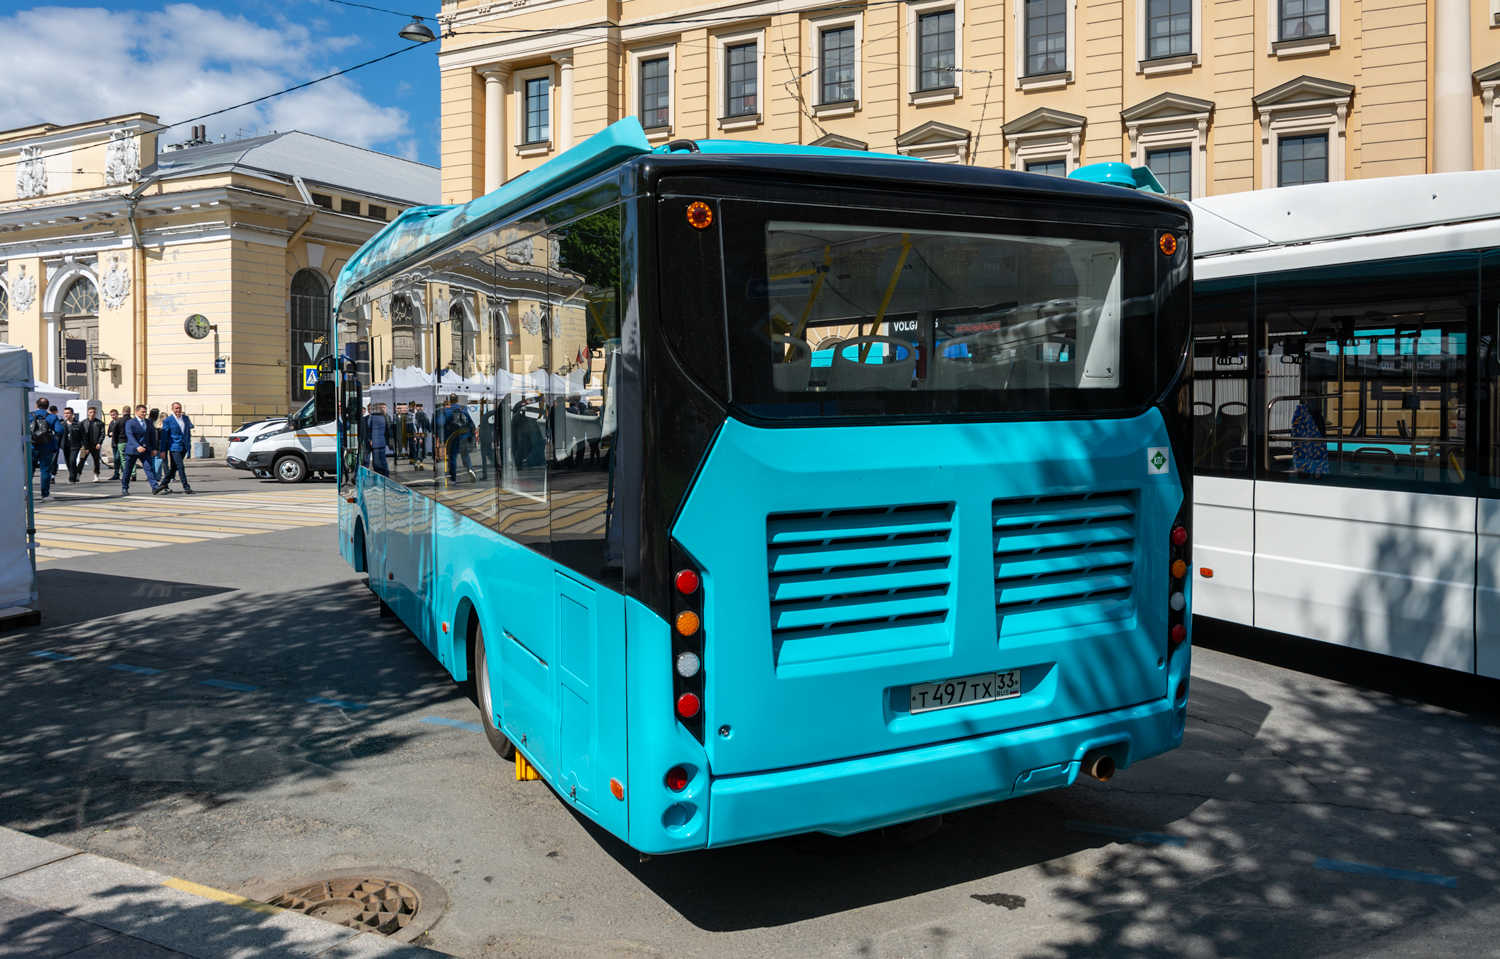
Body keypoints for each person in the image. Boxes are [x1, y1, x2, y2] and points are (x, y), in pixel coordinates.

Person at [28, 397, 62, 500]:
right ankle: (45, 494)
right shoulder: (52, 417)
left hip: (31, 446)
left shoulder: (29, 415)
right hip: (47, 446)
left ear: (36, 406)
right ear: (47, 407)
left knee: (29, 470)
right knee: (45, 470)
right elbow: (59, 430)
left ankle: (26, 493)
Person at [158, 402, 195, 494]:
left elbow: (187, 433)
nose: (178, 410)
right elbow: (164, 437)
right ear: (172, 409)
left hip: (184, 446)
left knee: (174, 467)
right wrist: (162, 450)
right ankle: (186, 487)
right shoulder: (168, 420)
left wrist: (189, 448)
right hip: (174, 446)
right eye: (176, 409)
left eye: (179, 408)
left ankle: (164, 483)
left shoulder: (186, 419)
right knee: (180, 466)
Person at [121, 404, 160, 495]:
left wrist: (154, 448)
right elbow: (130, 436)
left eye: (145, 412)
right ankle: (125, 487)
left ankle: (155, 486)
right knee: (128, 470)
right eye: (142, 412)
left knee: (149, 468)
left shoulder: (148, 422)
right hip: (133, 450)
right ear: (136, 411)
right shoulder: (130, 422)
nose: (144, 413)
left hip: (145, 450)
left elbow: (152, 437)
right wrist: (137, 446)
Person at [439, 394, 476, 483]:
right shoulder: (464, 409)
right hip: (464, 436)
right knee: (465, 455)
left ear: (450, 401)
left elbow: (443, 425)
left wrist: (442, 440)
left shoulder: (446, 411)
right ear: (458, 400)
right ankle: (470, 469)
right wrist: (472, 436)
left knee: (452, 457)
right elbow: (471, 424)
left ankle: (453, 477)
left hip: (452, 438)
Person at [78, 406, 106, 482]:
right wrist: (82, 444)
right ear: (88, 413)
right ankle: (78, 474)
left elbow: (102, 434)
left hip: (95, 444)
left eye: (94, 412)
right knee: (82, 459)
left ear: (96, 413)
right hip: (85, 445)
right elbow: (80, 434)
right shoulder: (83, 423)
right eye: (90, 412)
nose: (92, 414)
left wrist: (99, 443)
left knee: (96, 460)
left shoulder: (99, 423)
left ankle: (96, 475)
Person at [59, 407, 87, 483]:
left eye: (68, 413)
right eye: (65, 413)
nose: (66, 415)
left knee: (72, 460)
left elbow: (83, 436)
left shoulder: (78, 424)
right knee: (67, 461)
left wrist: (86, 447)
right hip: (65, 445)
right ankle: (74, 474)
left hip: (75, 445)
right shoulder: (62, 424)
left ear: (72, 414)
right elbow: (59, 436)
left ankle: (72, 477)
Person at [363, 402, 390, 476]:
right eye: (368, 409)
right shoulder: (373, 417)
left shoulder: (378, 417)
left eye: (371, 409)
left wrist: (372, 439)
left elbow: (375, 430)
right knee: (377, 462)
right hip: (374, 442)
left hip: (377, 442)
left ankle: (383, 476)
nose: (370, 410)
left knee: (379, 462)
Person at [106, 408, 125, 480]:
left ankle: (123, 473)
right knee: (115, 459)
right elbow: (108, 433)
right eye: (111, 415)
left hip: (120, 442)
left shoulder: (120, 422)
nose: (113, 416)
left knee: (119, 458)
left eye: (114, 415)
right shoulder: (111, 423)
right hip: (114, 443)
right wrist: (110, 434)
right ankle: (116, 473)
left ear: (117, 414)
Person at [410, 401, 429, 471]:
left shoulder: (424, 415)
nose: (419, 408)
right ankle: (415, 464)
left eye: (420, 406)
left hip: (421, 434)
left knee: (421, 449)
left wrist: (422, 436)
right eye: (417, 406)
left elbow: (426, 425)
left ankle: (421, 463)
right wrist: (414, 436)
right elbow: (411, 427)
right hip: (415, 434)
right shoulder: (412, 416)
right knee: (415, 450)